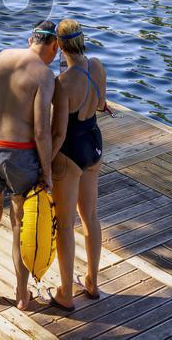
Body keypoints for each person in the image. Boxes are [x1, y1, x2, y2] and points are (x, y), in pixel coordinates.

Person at [0, 21, 58, 311]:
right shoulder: (45, 75)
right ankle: (22, 294)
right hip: (18, 154)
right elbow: (42, 131)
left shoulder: (1, 56)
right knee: (21, 222)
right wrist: (47, 171)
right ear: (54, 48)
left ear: (29, 39)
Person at [48, 19, 107, 311]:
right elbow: (100, 103)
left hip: (70, 151)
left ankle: (66, 293)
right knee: (91, 216)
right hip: (94, 144)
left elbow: (58, 133)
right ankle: (93, 282)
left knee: (65, 225)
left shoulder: (62, 83)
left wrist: (44, 162)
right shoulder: (97, 66)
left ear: (58, 46)